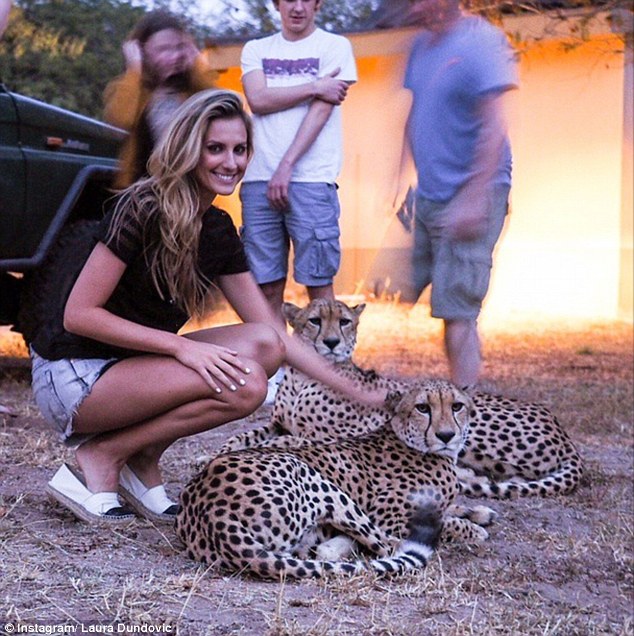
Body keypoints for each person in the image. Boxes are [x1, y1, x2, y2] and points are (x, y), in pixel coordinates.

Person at [31, 90, 386, 525]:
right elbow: (80, 315)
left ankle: (142, 457)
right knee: (246, 384)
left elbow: (272, 334)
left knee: (264, 346)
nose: (230, 162)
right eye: (215, 148)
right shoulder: (142, 207)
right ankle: (105, 454)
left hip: (133, 368)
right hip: (74, 374)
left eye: (240, 149)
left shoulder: (215, 227)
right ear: (188, 149)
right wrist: (182, 347)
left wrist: (352, 388)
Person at [397, 0, 518, 388]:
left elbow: (495, 125)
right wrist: (399, 181)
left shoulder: (481, 40)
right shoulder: (419, 45)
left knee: (457, 310)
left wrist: (473, 197)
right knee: (409, 293)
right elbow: (416, 114)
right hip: (430, 194)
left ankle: (463, 407)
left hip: (474, 192)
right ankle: (461, 398)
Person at [240, 0, 357, 400]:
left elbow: (321, 111)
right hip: (257, 178)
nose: (298, 6)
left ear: (318, 3)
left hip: (311, 178)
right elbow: (258, 100)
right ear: (277, 4)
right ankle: (276, 381)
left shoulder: (335, 46)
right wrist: (314, 85)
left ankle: (331, 382)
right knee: (265, 286)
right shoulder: (256, 49)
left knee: (318, 285)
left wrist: (286, 166)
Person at [103, 10, 217, 189]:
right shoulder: (129, 87)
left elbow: (220, 107)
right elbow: (119, 122)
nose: (174, 56)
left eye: (178, 47)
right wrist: (134, 70)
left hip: (188, 189)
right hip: (141, 189)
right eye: (163, 49)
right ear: (141, 51)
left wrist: (196, 64)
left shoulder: (193, 88)